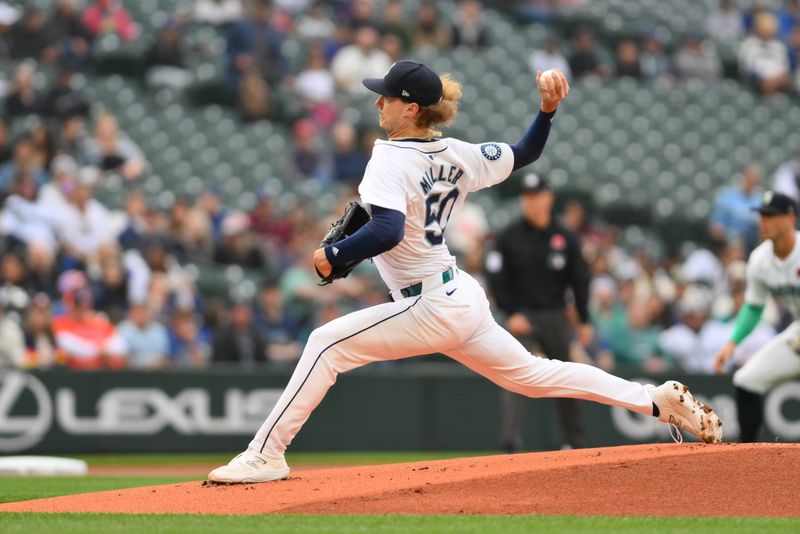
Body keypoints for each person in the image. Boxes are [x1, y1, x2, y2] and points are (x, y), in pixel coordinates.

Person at [208, 61, 722, 484]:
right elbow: (525, 153)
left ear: (410, 107)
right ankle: (652, 401)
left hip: (430, 301)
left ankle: (265, 453)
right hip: (458, 295)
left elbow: (385, 230)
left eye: (385, 97)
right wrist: (546, 111)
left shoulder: (388, 157)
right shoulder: (456, 154)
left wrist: (335, 257)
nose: (377, 103)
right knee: (536, 376)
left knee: (325, 343)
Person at [486, 173, 591, 451]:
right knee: (514, 377)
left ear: (549, 198)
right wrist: (511, 312)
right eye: (526, 197)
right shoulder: (508, 237)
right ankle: (510, 443)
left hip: (555, 315)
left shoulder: (565, 236)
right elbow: (496, 277)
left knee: (567, 377)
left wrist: (584, 318)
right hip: (523, 315)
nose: (531, 202)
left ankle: (574, 442)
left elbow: (580, 278)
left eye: (536, 196)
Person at [714, 191, 800, 441]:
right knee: (746, 379)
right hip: (797, 333)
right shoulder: (760, 259)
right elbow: (753, 306)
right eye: (761, 215)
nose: (763, 221)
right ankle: (749, 458)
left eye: (771, 216)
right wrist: (732, 343)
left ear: (790, 218)